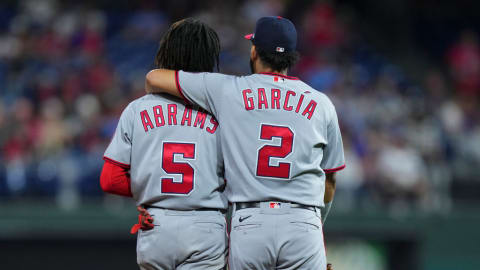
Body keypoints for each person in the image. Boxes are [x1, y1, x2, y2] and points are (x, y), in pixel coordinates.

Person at [144, 16, 345, 270]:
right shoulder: (321, 103)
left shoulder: (227, 90)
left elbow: (154, 78)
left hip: (251, 221)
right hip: (303, 222)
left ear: (254, 50)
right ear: (292, 56)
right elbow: (330, 180)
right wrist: (315, 228)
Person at [100, 18, 228, 270]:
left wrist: (147, 190)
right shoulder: (224, 111)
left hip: (156, 224)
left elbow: (110, 179)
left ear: (165, 52)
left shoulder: (137, 109)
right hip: (206, 223)